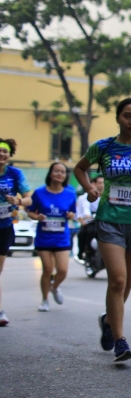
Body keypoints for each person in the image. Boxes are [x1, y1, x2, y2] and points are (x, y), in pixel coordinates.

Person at [74, 99, 131, 362]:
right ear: (118, 118)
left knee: (125, 283)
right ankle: (120, 341)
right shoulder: (104, 146)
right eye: (127, 116)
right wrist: (90, 188)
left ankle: (107, 319)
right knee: (117, 280)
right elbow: (80, 168)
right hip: (110, 221)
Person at [26, 162, 77, 311]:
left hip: (61, 237)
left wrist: (71, 215)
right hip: (44, 237)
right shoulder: (39, 192)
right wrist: (37, 217)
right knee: (47, 270)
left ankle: (54, 287)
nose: (60, 174)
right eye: (56, 171)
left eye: (63, 172)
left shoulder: (70, 193)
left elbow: (73, 212)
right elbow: (30, 211)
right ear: (50, 173)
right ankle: (44, 300)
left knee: (62, 270)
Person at [0, 139, 32, 326]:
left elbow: (29, 198)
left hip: (4, 227)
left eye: (5, 151)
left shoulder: (15, 174)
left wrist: (18, 202)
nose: (2, 154)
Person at [76, 174, 103, 261]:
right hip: (90, 221)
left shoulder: (107, 196)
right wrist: (86, 218)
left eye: (103, 183)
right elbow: (84, 209)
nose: (102, 185)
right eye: (99, 183)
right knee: (84, 233)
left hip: (104, 221)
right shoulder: (84, 197)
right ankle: (83, 252)